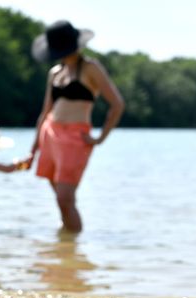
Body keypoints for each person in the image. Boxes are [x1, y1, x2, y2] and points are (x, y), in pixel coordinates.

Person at [25, 20, 124, 233]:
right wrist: (33, 150)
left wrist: (100, 138)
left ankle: (74, 244)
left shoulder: (91, 68)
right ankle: (66, 250)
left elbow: (117, 104)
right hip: (49, 134)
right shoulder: (54, 73)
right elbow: (45, 112)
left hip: (75, 139)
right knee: (59, 198)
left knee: (65, 198)